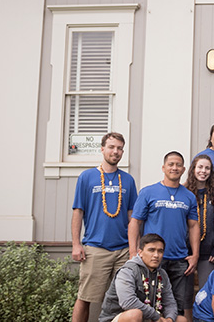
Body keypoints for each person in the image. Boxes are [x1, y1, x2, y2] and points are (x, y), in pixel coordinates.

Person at [71, 132, 139, 322]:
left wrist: (134, 248)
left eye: (119, 148)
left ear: (122, 152)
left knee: (126, 299)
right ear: (102, 149)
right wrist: (76, 244)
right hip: (95, 248)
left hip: (123, 250)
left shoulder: (128, 180)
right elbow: (78, 212)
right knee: (85, 297)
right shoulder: (87, 177)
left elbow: (132, 216)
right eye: (111, 147)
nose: (115, 151)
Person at [128, 152, 200, 318]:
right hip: (153, 259)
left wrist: (195, 255)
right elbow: (135, 222)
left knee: (179, 308)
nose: (174, 168)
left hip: (180, 259)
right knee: (151, 306)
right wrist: (133, 252)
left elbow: (194, 226)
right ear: (163, 167)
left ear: (183, 169)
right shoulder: (148, 192)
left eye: (178, 165)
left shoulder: (189, 196)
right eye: (171, 164)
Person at [99, 233, 184, 322]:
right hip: (117, 318)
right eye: (151, 250)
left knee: (181, 320)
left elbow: (170, 302)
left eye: (160, 251)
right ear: (140, 253)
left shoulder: (162, 273)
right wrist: (156, 317)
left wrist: (169, 319)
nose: (156, 255)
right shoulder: (127, 271)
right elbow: (128, 302)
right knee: (134, 315)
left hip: (149, 318)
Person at [183, 154, 214, 321]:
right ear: (193, 169)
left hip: (208, 253)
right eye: (200, 167)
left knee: (206, 294)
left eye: (207, 168)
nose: (203, 171)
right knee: (185, 295)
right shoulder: (183, 191)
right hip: (186, 253)